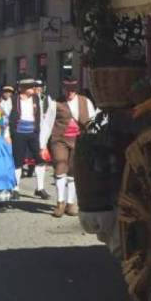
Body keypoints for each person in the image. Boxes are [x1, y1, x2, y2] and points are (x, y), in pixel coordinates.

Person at [40, 79, 98, 218]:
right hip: (59, 140)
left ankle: (71, 203)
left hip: (79, 140)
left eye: (72, 89)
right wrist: (42, 146)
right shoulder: (55, 103)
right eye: (67, 89)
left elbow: (93, 121)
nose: (70, 92)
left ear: (76, 89)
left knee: (73, 172)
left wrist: (94, 140)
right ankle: (60, 202)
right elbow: (47, 124)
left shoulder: (86, 102)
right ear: (63, 89)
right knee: (60, 168)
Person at [9, 79, 49, 200]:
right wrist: (7, 135)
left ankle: (40, 188)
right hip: (18, 133)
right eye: (31, 87)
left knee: (40, 159)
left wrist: (42, 136)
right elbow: (5, 118)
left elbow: (40, 118)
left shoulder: (37, 99)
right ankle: (15, 189)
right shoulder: (13, 100)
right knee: (18, 161)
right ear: (23, 88)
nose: (34, 89)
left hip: (33, 133)